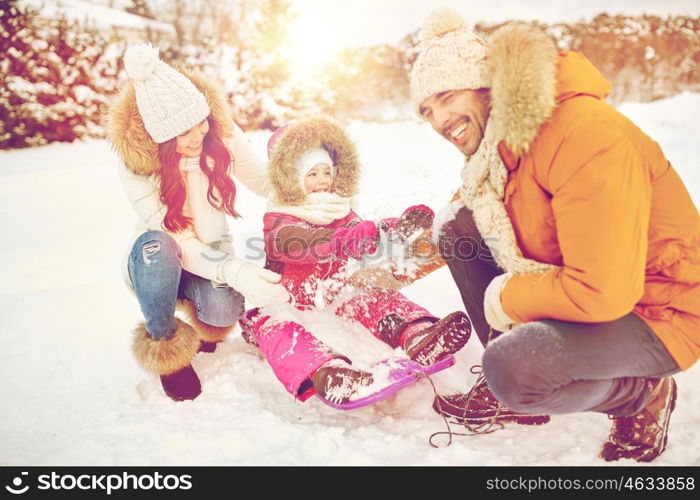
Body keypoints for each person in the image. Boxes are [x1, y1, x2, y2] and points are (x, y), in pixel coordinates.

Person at [407, 8, 699, 461]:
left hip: (662, 310)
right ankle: (515, 387)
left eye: (446, 96)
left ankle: (644, 395)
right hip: (596, 291)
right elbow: (461, 225)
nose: (439, 119)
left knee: (513, 369)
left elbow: (602, 292)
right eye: (427, 110)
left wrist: (506, 299)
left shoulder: (582, 133)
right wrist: (367, 266)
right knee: (457, 225)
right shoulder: (498, 152)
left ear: (486, 85)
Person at [240, 116, 472, 404]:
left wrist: (395, 227)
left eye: (326, 172)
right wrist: (350, 240)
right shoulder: (280, 219)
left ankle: (419, 335)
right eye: (312, 174)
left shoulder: (338, 208)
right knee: (277, 327)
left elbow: (361, 232)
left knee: (373, 297)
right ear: (291, 179)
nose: (323, 180)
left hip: (335, 294)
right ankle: (328, 373)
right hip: (288, 300)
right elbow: (305, 245)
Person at [108, 44, 289, 402]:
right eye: (182, 131)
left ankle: (203, 322)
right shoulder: (138, 167)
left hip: (210, 253)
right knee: (161, 246)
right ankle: (165, 344)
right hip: (156, 259)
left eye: (200, 122)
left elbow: (265, 181)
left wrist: (308, 180)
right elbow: (180, 238)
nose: (197, 136)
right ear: (161, 137)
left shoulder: (218, 134)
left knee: (225, 312)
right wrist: (237, 271)